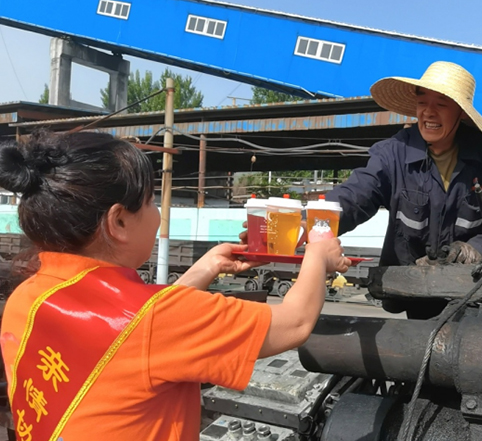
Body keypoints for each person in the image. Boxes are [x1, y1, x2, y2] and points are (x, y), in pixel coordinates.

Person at [0, 131, 351, 441]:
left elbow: (138, 328)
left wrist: (209, 265)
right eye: (152, 202)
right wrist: (318, 254)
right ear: (118, 221)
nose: (158, 214)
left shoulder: (27, 297)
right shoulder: (156, 321)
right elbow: (296, 321)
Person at [326, 61, 482, 318]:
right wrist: (314, 221)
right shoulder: (393, 154)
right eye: (422, 102)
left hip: (470, 291)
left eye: (440, 104)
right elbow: (357, 194)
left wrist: (476, 248)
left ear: (461, 111)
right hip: (412, 292)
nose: (428, 112)